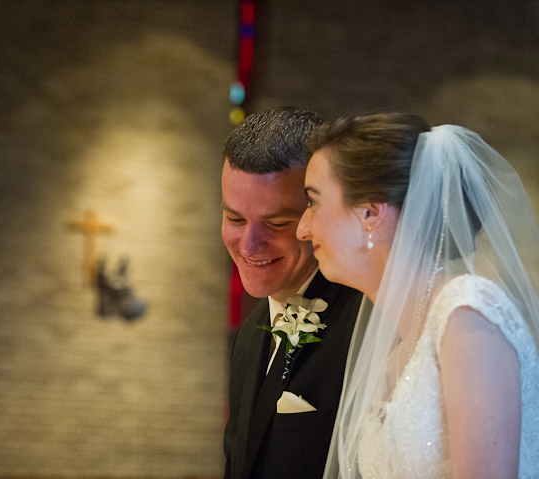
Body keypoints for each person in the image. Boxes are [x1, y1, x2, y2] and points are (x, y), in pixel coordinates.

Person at [296, 113, 539, 479]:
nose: (302, 228)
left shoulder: (467, 316)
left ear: (370, 213)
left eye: (313, 202)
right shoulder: (398, 351)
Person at [221, 107, 365, 479]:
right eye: (235, 219)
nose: (250, 245)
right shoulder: (249, 335)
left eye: (277, 223)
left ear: (317, 212)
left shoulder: (366, 321)